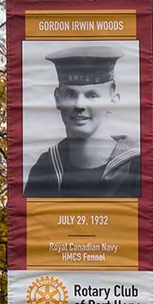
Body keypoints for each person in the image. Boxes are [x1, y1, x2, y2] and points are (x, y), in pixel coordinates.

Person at [24, 45, 141, 198]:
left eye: (92, 96)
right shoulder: (44, 170)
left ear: (113, 100)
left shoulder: (135, 168)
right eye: (70, 95)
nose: (79, 105)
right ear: (57, 98)